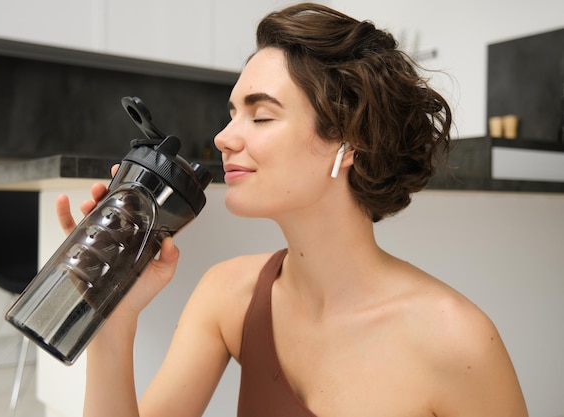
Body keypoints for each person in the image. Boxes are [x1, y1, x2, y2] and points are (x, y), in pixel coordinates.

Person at [57, 3, 528, 416]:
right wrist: (110, 320)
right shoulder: (228, 296)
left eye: (261, 116)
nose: (224, 137)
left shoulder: (456, 341)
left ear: (351, 142)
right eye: (232, 112)